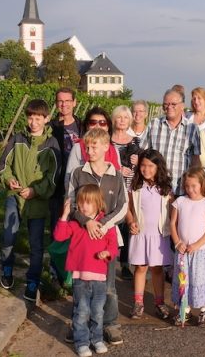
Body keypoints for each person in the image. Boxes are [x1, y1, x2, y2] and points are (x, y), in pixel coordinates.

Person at [66, 128, 128, 346]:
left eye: (94, 146)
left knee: (108, 286)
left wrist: (103, 224)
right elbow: (71, 203)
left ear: (105, 147)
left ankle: (110, 324)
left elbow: (122, 207)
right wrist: (86, 221)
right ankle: (79, 325)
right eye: (87, 146)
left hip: (107, 238)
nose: (90, 150)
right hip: (83, 240)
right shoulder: (77, 174)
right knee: (81, 285)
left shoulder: (116, 176)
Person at [0, 99, 60, 302]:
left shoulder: (51, 145)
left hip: (38, 201)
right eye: (30, 117)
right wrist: (9, 180)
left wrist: (36, 191)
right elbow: (3, 164)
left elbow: (53, 176)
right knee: (9, 236)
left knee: (36, 244)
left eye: (38, 118)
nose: (33, 122)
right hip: (14, 197)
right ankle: (6, 269)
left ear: (46, 119)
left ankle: (33, 280)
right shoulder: (17, 139)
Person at [54, 185, 118, 357]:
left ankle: (96, 339)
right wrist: (65, 215)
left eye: (88, 203)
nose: (83, 206)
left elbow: (114, 246)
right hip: (80, 276)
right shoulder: (76, 223)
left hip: (99, 277)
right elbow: (59, 236)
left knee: (98, 311)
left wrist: (107, 253)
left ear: (98, 203)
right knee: (81, 311)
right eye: (81, 202)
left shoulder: (105, 224)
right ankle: (81, 341)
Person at [126, 149, 174, 320]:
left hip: (159, 235)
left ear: (158, 166)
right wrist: (131, 222)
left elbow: (173, 211)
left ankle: (159, 303)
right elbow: (129, 209)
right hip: (141, 234)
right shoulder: (135, 186)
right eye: (143, 166)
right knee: (140, 268)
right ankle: (138, 303)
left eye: (150, 166)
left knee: (157, 269)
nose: (146, 170)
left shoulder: (166, 188)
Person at [171, 167, 205, 327]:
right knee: (184, 280)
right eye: (187, 186)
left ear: (202, 184)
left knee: (200, 279)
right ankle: (185, 309)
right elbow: (172, 223)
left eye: (194, 186)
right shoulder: (180, 202)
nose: (190, 190)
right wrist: (178, 242)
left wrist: (197, 245)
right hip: (183, 252)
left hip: (200, 253)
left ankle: (204, 311)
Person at [142, 88, 201, 195]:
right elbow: (143, 153)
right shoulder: (154, 124)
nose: (169, 107)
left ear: (182, 105)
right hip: (156, 188)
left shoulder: (192, 129)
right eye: (166, 104)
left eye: (173, 104)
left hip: (181, 189)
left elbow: (195, 160)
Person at [111, 104, 140, 280]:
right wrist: (118, 168)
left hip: (128, 187)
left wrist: (137, 161)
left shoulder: (135, 141)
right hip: (112, 186)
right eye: (119, 117)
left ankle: (124, 263)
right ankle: (108, 259)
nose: (122, 120)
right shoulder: (108, 139)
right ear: (114, 119)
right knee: (112, 223)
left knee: (127, 224)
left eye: (125, 117)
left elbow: (141, 167)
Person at [49, 87, 84, 231]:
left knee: (77, 226)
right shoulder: (50, 127)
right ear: (56, 104)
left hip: (79, 182)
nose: (64, 104)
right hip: (57, 184)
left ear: (74, 102)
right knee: (57, 226)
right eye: (60, 101)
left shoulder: (83, 126)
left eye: (68, 101)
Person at [64, 107, 121, 190]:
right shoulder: (78, 148)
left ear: (108, 127)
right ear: (87, 126)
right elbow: (69, 178)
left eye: (102, 123)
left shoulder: (114, 150)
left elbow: (118, 181)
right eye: (93, 122)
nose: (97, 126)